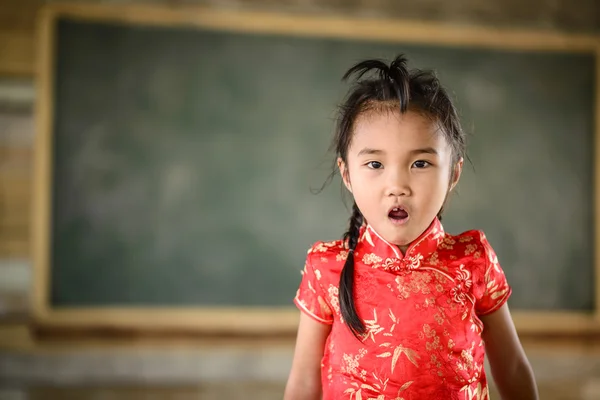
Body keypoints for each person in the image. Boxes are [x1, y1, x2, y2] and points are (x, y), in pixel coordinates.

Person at [284, 54, 538, 400]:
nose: (397, 185)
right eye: (375, 163)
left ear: (454, 173)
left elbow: (512, 370)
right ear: (347, 174)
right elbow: (302, 385)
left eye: (420, 163)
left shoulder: (473, 260)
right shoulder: (325, 268)